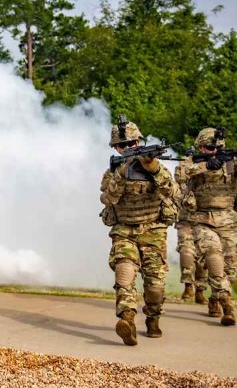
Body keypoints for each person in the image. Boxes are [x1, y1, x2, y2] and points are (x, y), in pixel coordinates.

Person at [99, 119, 179, 345]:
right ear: (116, 148)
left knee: (155, 285)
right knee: (124, 272)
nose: (128, 149)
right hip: (124, 229)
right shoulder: (113, 171)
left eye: (132, 143)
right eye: (122, 146)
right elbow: (108, 198)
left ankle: (153, 319)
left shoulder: (156, 167)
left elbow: (172, 191)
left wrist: (153, 169)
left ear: (139, 142)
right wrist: (122, 175)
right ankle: (127, 319)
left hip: (153, 230)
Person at [176, 127, 237, 325]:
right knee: (215, 260)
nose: (214, 151)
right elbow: (180, 174)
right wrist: (207, 165)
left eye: (217, 148)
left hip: (228, 222)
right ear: (200, 146)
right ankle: (227, 306)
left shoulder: (231, 163)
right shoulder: (192, 162)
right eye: (209, 148)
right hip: (202, 220)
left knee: (231, 268)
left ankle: (215, 298)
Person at [175, 157, 209, 305]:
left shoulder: (211, 177)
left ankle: (200, 290)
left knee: (204, 257)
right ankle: (188, 286)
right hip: (186, 221)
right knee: (186, 252)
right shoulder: (185, 172)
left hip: (206, 221)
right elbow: (180, 175)